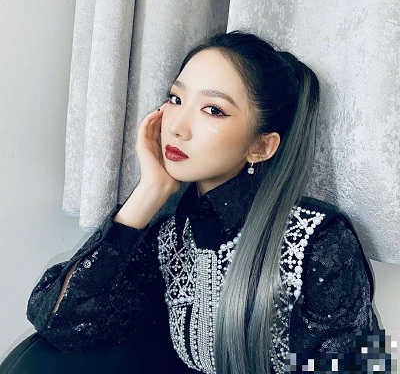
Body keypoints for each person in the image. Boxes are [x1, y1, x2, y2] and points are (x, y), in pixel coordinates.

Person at [1, 31, 385, 374]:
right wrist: (149, 192)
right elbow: (60, 321)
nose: (176, 126)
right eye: (175, 98)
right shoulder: (172, 229)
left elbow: (357, 364)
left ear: (261, 146)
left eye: (212, 109)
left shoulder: (317, 238)